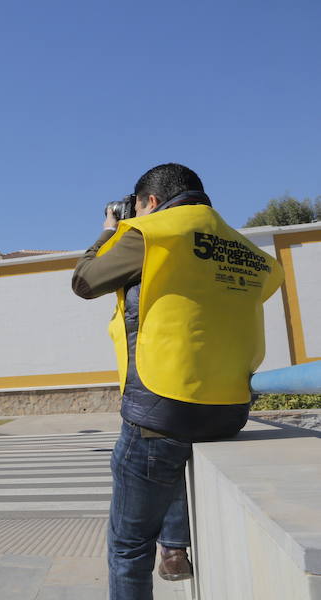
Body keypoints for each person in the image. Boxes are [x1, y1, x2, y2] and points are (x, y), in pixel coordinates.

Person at [71, 164, 283, 599]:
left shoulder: (150, 234)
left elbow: (85, 281)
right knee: (169, 454)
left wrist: (110, 229)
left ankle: (167, 547)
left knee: (129, 546)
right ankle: (175, 546)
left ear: (149, 201)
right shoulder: (245, 249)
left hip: (160, 408)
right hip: (228, 410)